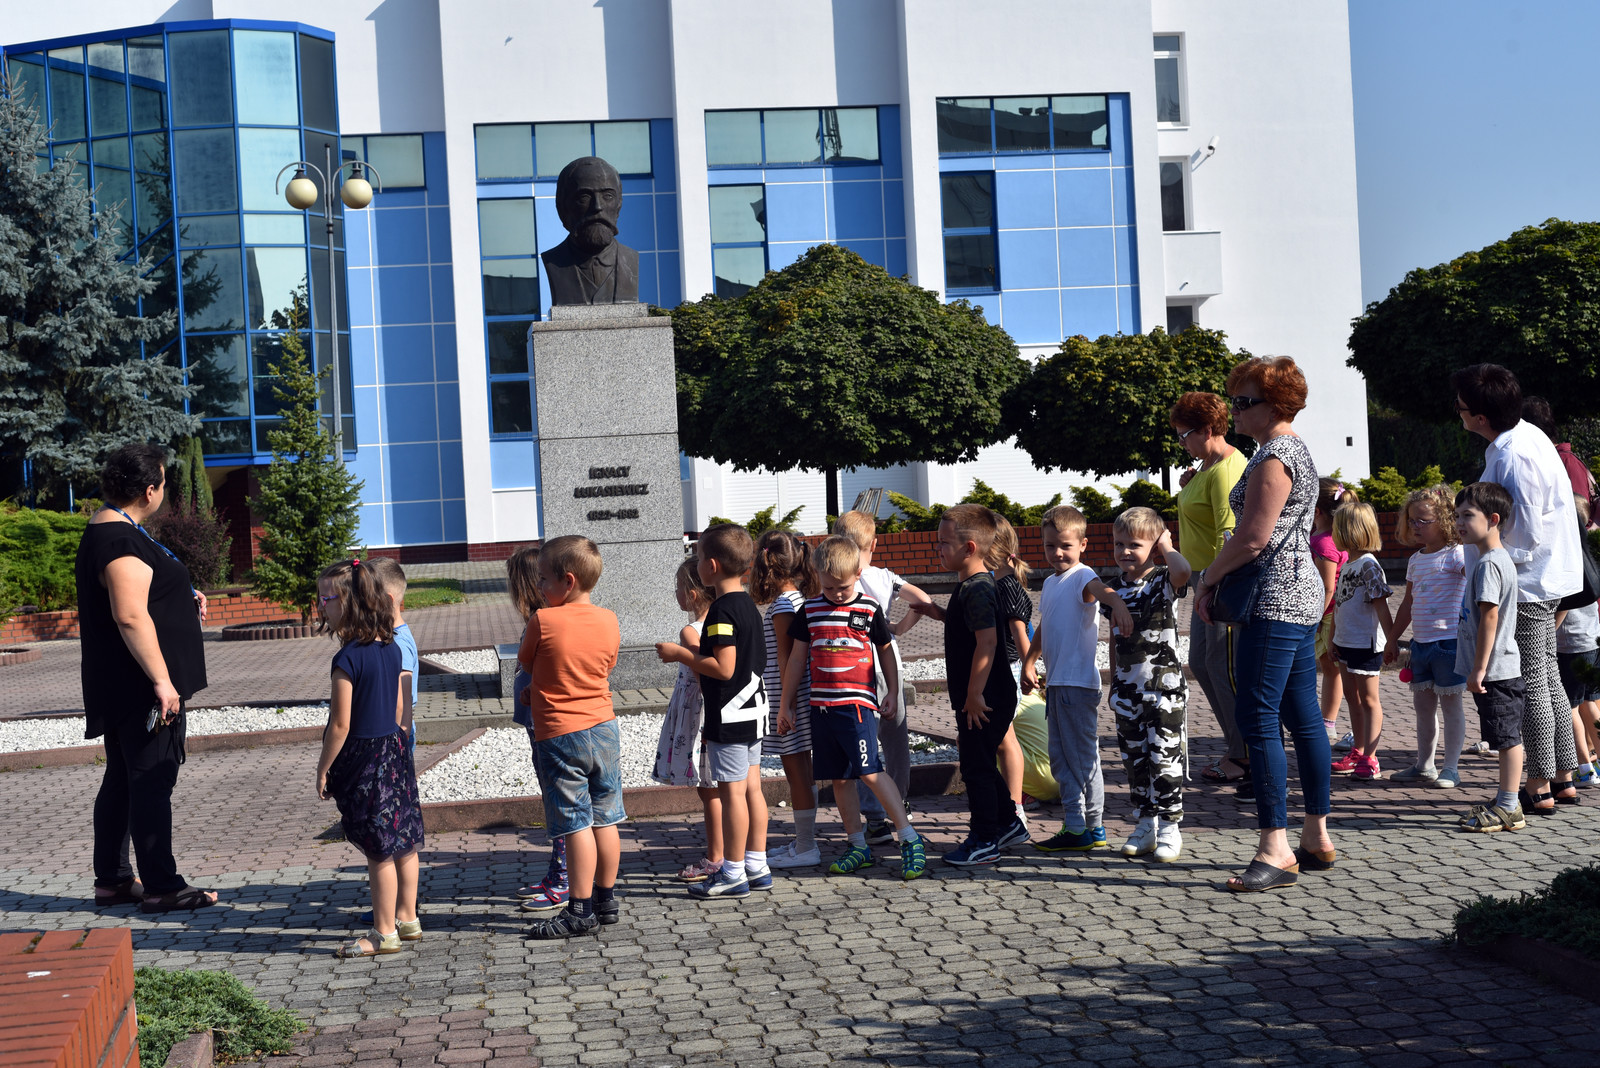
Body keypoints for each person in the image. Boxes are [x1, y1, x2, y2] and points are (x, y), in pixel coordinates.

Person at [1194, 356, 1333, 893]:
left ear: (1273, 405)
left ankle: (1276, 849)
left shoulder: (1275, 456)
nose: (1234, 410)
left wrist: (1208, 579)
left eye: (1244, 402)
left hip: (1275, 597)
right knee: (1303, 717)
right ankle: (1316, 835)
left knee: (1257, 714)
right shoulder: (1293, 450)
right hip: (1297, 594)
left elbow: (1253, 537)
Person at [75, 443, 215, 913]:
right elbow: (130, 615)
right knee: (152, 779)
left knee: (123, 778)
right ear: (149, 490)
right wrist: (162, 681)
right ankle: (162, 886)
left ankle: (114, 880)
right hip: (140, 687)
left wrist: (181, 595)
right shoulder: (119, 539)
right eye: (163, 483)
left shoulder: (117, 528)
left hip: (125, 682)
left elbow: (143, 592)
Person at [1453, 364, 1583, 813]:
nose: (1457, 412)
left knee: (1530, 682)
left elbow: (1524, 531)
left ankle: (1539, 784)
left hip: (1527, 583)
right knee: (1546, 677)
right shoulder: (1524, 436)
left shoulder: (1514, 454)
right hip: (1539, 578)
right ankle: (1561, 777)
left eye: (1461, 407)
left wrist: (1494, 567)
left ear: (1481, 417)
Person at [780, 536, 925, 880]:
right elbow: (797, 659)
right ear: (817, 576)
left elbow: (886, 651)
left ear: (858, 574)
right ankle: (857, 845)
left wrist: (892, 692)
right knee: (840, 779)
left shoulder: (869, 609)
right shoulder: (809, 611)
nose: (837, 594)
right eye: (829, 587)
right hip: (821, 709)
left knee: (870, 772)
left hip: (857, 707)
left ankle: (909, 838)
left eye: (843, 587)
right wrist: (785, 704)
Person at [517, 536, 625, 938]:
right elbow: (603, 666)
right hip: (604, 728)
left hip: (561, 734)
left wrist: (537, 688)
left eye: (544, 579)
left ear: (568, 581)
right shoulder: (610, 619)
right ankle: (606, 900)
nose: (539, 586)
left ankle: (579, 910)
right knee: (607, 817)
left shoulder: (543, 620)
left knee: (576, 822)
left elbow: (528, 661)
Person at [656, 524, 771, 899]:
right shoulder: (748, 605)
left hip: (731, 717)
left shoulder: (721, 611)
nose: (699, 562)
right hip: (754, 713)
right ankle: (757, 864)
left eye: (700, 556)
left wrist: (680, 654)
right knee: (752, 790)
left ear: (712, 566)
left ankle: (733, 872)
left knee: (732, 794)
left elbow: (723, 668)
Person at [315, 558, 422, 957]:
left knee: (378, 850)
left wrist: (324, 767)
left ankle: (383, 933)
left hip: (365, 758)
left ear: (348, 603)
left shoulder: (347, 659)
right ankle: (408, 918)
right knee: (403, 839)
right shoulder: (392, 648)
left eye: (326, 599)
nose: (321, 606)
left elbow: (340, 724)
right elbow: (401, 708)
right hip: (393, 751)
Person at [908, 505, 1024, 865]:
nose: (938, 548)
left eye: (944, 542)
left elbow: (987, 642)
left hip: (985, 698)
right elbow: (968, 628)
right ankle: (1009, 824)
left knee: (975, 768)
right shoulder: (970, 586)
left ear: (969, 548)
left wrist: (974, 695)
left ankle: (984, 840)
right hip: (980, 697)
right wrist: (937, 613)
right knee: (980, 761)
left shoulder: (978, 589)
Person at [1020, 505, 1133, 854]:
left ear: (1083, 545)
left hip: (1077, 686)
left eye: (1066, 546)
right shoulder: (1051, 583)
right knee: (1061, 758)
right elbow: (1046, 625)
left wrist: (1119, 607)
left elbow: (1104, 591)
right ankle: (1079, 825)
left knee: (1081, 759)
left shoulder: (1083, 575)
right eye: (1050, 545)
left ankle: (1088, 825)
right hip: (1057, 685)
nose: (1057, 553)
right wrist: (1030, 660)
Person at [831, 511, 936, 844]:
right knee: (895, 740)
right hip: (889, 666)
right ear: (874, 544)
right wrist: (897, 628)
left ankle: (874, 818)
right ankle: (899, 801)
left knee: (863, 742)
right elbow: (924, 601)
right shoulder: (884, 577)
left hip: (852, 670)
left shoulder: (834, 577)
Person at [1103, 507, 1192, 862]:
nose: (1124, 551)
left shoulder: (1162, 581)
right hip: (1128, 691)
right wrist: (1114, 684)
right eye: (1119, 543)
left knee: (1165, 761)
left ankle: (1170, 827)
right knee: (1135, 762)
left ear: (1154, 546)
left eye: (1134, 544)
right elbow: (1114, 640)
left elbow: (1183, 571)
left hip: (1163, 691)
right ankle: (1145, 825)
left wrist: (1166, 544)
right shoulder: (1113, 589)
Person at [1170, 392, 1248, 789]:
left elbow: (1227, 534)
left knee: (1223, 666)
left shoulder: (1227, 470)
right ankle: (1238, 746)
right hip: (1206, 576)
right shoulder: (1207, 467)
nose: (1181, 442)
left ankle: (1244, 754)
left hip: (1220, 577)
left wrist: (1210, 584)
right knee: (1201, 663)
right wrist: (1190, 482)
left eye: (1184, 435)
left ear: (1207, 429)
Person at [1453, 482, 1528, 832]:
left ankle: (1510, 807)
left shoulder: (1489, 565)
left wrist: (1479, 668)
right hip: (1495, 670)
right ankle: (1505, 800)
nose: (1459, 523)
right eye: (1457, 516)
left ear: (1493, 519)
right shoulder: (1491, 560)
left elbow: (1490, 617)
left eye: (1467, 515)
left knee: (1507, 739)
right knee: (1502, 736)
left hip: (1496, 670)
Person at [1385, 485, 1470, 789]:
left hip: (1450, 644)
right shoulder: (1416, 560)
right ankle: (1424, 764)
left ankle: (1451, 768)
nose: (1415, 526)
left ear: (1445, 519)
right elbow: (1407, 603)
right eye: (1412, 520)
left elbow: (1477, 586)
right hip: (1420, 644)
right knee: (1423, 708)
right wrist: (1392, 638)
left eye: (1423, 520)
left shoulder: (1457, 555)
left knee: (1451, 706)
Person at [751, 531, 822, 869]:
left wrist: (784, 707)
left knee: (796, 772)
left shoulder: (782, 605)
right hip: (797, 697)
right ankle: (804, 842)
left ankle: (807, 846)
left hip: (788, 699)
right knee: (803, 771)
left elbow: (785, 658)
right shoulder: (798, 600)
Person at [503, 547, 568, 911]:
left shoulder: (543, 622)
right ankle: (558, 872)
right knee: (552, 798)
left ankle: (565, 878)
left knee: (559, 801)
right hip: (538, 720)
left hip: (547, 722)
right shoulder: (539, 620)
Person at [652, 558, 725, 881]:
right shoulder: (725, 621)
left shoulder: (690, 631)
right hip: (720, 711)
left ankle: (716, 857)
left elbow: (701, 673)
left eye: (679, 587)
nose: (676, 593)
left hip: (702, 714)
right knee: (721, 788)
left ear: (692, 594)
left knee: (709, 790)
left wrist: (679, 654)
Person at [1326, 501, 1394, 782]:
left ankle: (1371, 758)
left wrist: (1392, 641)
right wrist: (1332, 638)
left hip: (1365, 644)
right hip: (1345, 641)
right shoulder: (1348, 564)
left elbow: (1381, 606)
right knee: (1352, 697)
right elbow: (1339, 605)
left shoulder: (1368, 565)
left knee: (1368, 699)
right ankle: (1359, 750)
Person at [987, 514, 1036, 831]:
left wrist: (1029, 668)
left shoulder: (1007, 587)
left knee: (1005, 741)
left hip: (1008, 670)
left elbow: (1021, 635)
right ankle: (1009, 804)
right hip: (1003, 669)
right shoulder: (998, 583)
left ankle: (1015, 808)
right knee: (1003, 739)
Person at [1312, 480, 1352, 752]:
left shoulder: (1324, 543)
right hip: (1329, 613)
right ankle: (1326, 721)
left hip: (1326, 615)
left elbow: (1328, 587)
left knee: (1331, 669)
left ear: (1316, 511)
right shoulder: (1331, 538)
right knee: (1330, 669)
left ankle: (1327, 722)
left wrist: (1314, 617)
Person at [365, 557, 418, 758]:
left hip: (394, 737)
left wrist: (393, 744)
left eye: (365, 596)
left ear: (386, 601)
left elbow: (401, 705)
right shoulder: (389, 637)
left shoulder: (399, 643)